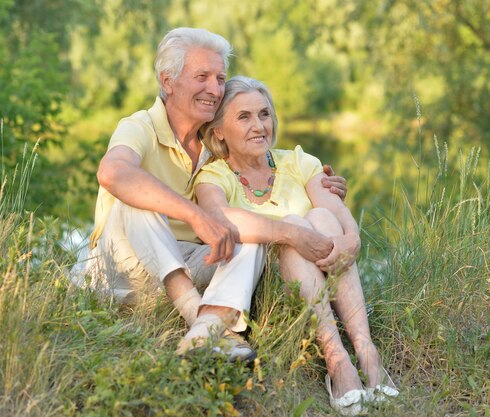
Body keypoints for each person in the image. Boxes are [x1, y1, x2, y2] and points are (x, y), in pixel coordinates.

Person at [79, 27, 347, 362]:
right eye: (202, 76)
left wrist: (323, 191)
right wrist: (194, 215)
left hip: (192, 267)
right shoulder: (139, 127)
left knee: (245, 234)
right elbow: (112, 172)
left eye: (220, 78)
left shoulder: (215, 143)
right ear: (167, 81)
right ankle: (196, 315)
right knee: (133, 196)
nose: (215, 89)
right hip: (122, 269)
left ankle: (206, 332)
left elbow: (264, 188)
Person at [194, 76, 398, 415]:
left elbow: (333, 207)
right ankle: (337, 359)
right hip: (269, 290)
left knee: (320, 216)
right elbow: (218, 217)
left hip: (323, 271)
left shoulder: (299, 161)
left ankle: (367, 352)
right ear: (218, 131)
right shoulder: (213, 177)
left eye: (264, 114)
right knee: (294, 224)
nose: (259, 125)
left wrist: (352, 238)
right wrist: (290, 233)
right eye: (243, 117)